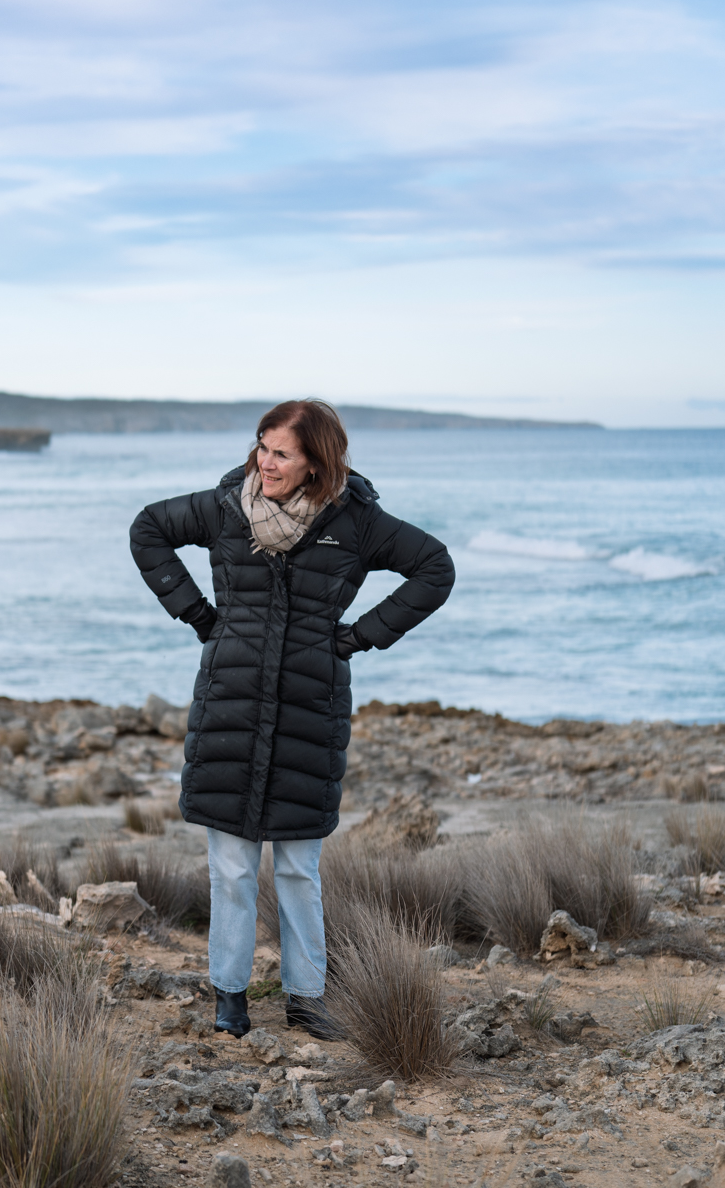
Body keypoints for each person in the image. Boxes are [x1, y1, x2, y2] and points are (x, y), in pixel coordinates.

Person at [131, 400, 453, 1039]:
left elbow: (434, 568)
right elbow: (147, 529)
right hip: (231, 701)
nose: (265, 461)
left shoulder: (355, 521)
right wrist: (198, 617)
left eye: (282, 453)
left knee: (299, 867)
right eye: (261, 445)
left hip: (311, 706)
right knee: (230, 865)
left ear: (315, 463)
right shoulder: (227, 507)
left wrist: (359, 637)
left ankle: (307, 999)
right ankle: (230, 997)